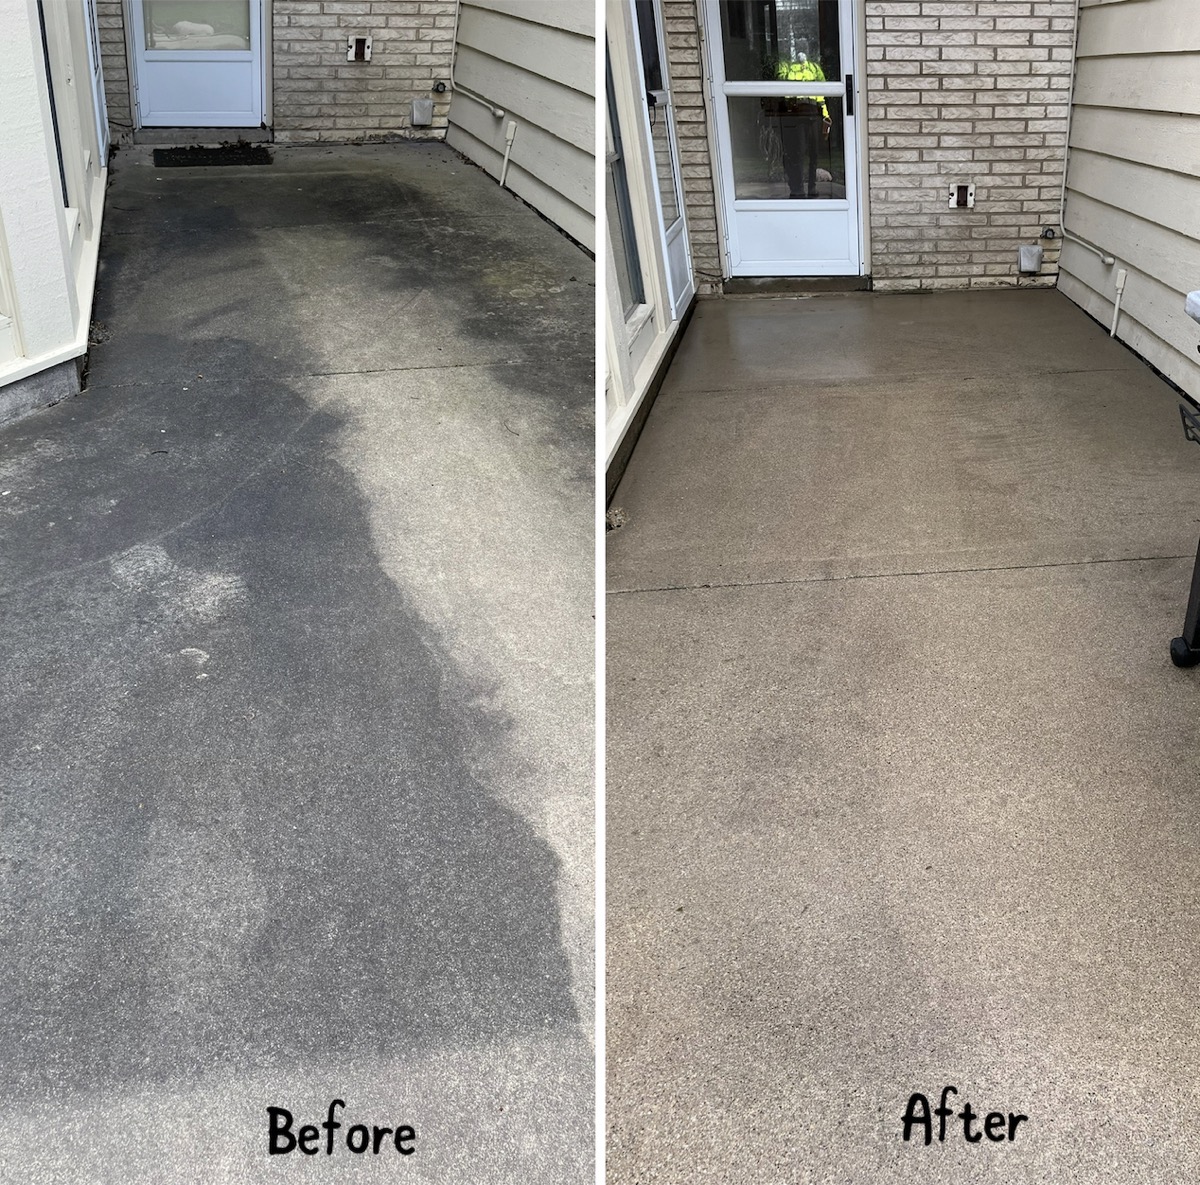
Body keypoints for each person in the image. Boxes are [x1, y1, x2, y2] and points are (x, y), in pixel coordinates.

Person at [770, 52, 832, 199]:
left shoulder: (814, 67)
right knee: (797, 154)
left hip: (813, 113)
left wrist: (825, 115)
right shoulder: (785, 66)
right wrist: (799, 70)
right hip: (795, 115)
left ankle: (812, 188)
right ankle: (797, 190)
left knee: (814, 154)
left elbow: (821, 92)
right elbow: (781, 79)